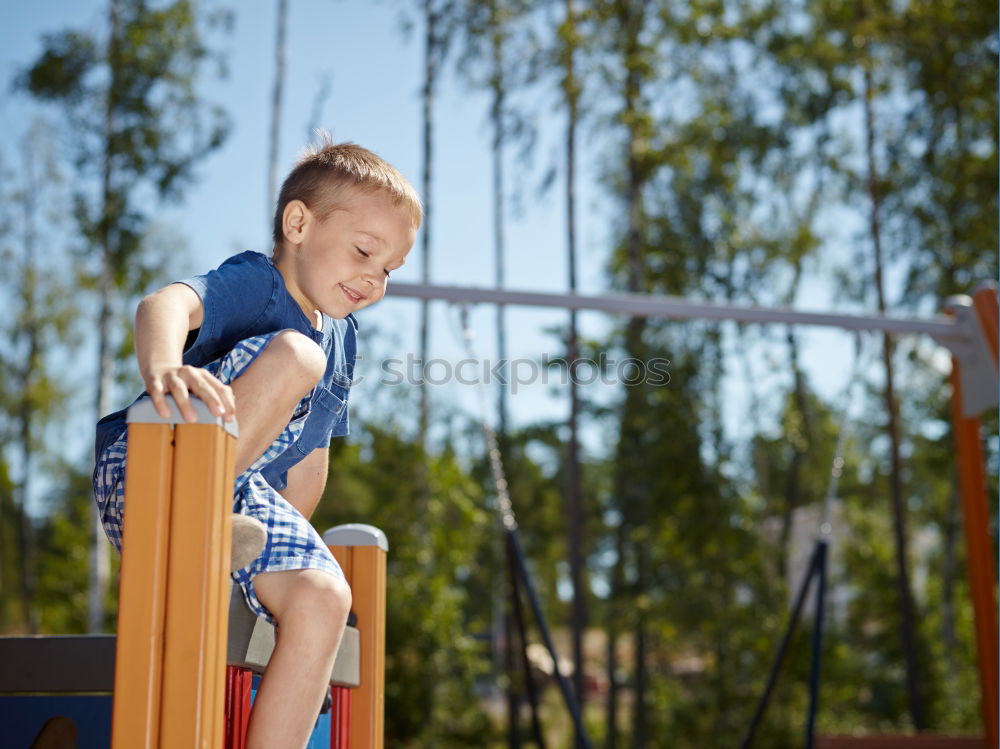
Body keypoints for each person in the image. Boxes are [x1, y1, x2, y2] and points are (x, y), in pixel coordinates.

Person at [92, 139, 420, 749]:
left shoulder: (343, 342)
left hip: (241, 506)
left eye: (389, 270)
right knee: (297, 354)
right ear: (298, 223)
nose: (374, 279)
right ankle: (199, 513)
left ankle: (223, 546)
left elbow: (311, 463)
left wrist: (274, 576)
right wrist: (164, 370)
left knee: (327, 595)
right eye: (364, 252)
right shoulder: (259, 284)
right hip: (155, 462)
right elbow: (162, 304)